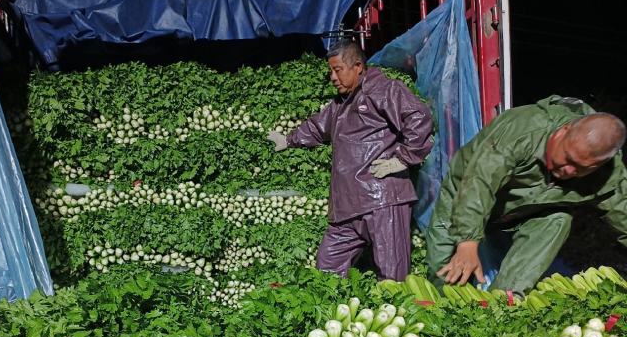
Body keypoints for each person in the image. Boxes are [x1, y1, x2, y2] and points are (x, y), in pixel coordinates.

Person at [425, 96, 627, 295]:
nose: (567, 170)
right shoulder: (524, 130)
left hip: (526, 211)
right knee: (445, 273)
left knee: (558, 219)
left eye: (580, 169)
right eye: (567, 158)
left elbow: (623, 214)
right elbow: (479, 181)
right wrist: (467, 241)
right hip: (466, 193)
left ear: (597, 165)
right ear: (563, 131)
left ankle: (504, 302)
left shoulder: (607, 175)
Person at [268, 39, 433, 280]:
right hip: (348, 205)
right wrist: (288, 139)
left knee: (392, 274)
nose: (333, 77)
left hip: (382, 198)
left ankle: (397, 313)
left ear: (357, 66)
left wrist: (404, 159)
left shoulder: (382, 90)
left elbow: (418, 117)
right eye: (331, 71)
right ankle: (328, 314)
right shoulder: (341, 105)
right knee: (327, 270)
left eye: (338, 70)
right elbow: (317, 127)